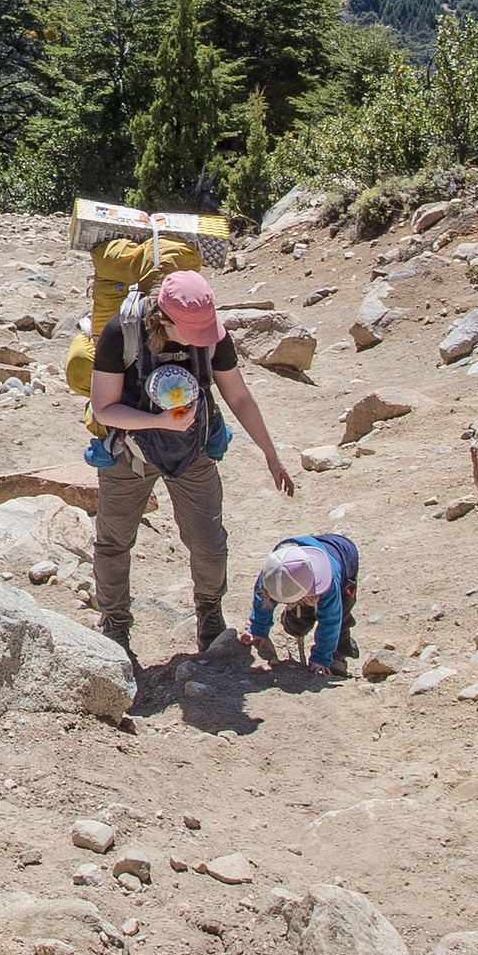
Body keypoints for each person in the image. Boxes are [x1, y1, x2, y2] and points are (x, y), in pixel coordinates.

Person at [85, 266, 293, 663]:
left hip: (194, 449)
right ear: (163, 319)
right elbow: (104, 408)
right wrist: (160, 421)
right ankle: (115, 623)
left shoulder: (213, 333)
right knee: (114, 543)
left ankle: (209, 615)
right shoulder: (121, 332)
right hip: (131, 452)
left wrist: (270, 453)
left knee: (209, 543)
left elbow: (238, 395)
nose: (200, 340)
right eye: (190, 333)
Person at [244, 531, 362, 678]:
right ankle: (295, 620)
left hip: (344, 556)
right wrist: (258, 629)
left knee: (340, 617)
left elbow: (331, 620)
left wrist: (321, 658)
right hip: (308, 561)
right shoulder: (275, 569)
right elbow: (262, 598)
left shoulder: (330, 579)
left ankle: (339, 653)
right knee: (299, 621)